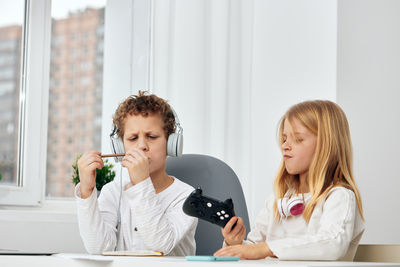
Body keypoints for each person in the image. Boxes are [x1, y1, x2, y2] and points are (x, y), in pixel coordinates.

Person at [214, 100, 365, 261]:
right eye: (284, 138)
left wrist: (266, 248)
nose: (285, 145)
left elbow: (332, 244)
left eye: (298, 139)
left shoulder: (339, 196)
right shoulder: (278, 198)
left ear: (326, 146)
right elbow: (253, 247)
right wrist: (235, 243)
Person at [75, 91, 197, 255]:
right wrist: (87, 191)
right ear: (120, 147)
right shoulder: (112, 191)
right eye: (132, 138)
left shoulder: (186, 196)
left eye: (152, 136)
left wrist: (141, 183)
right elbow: (98, 249)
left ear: (171, 144)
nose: (141, 146)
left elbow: (160, 246)